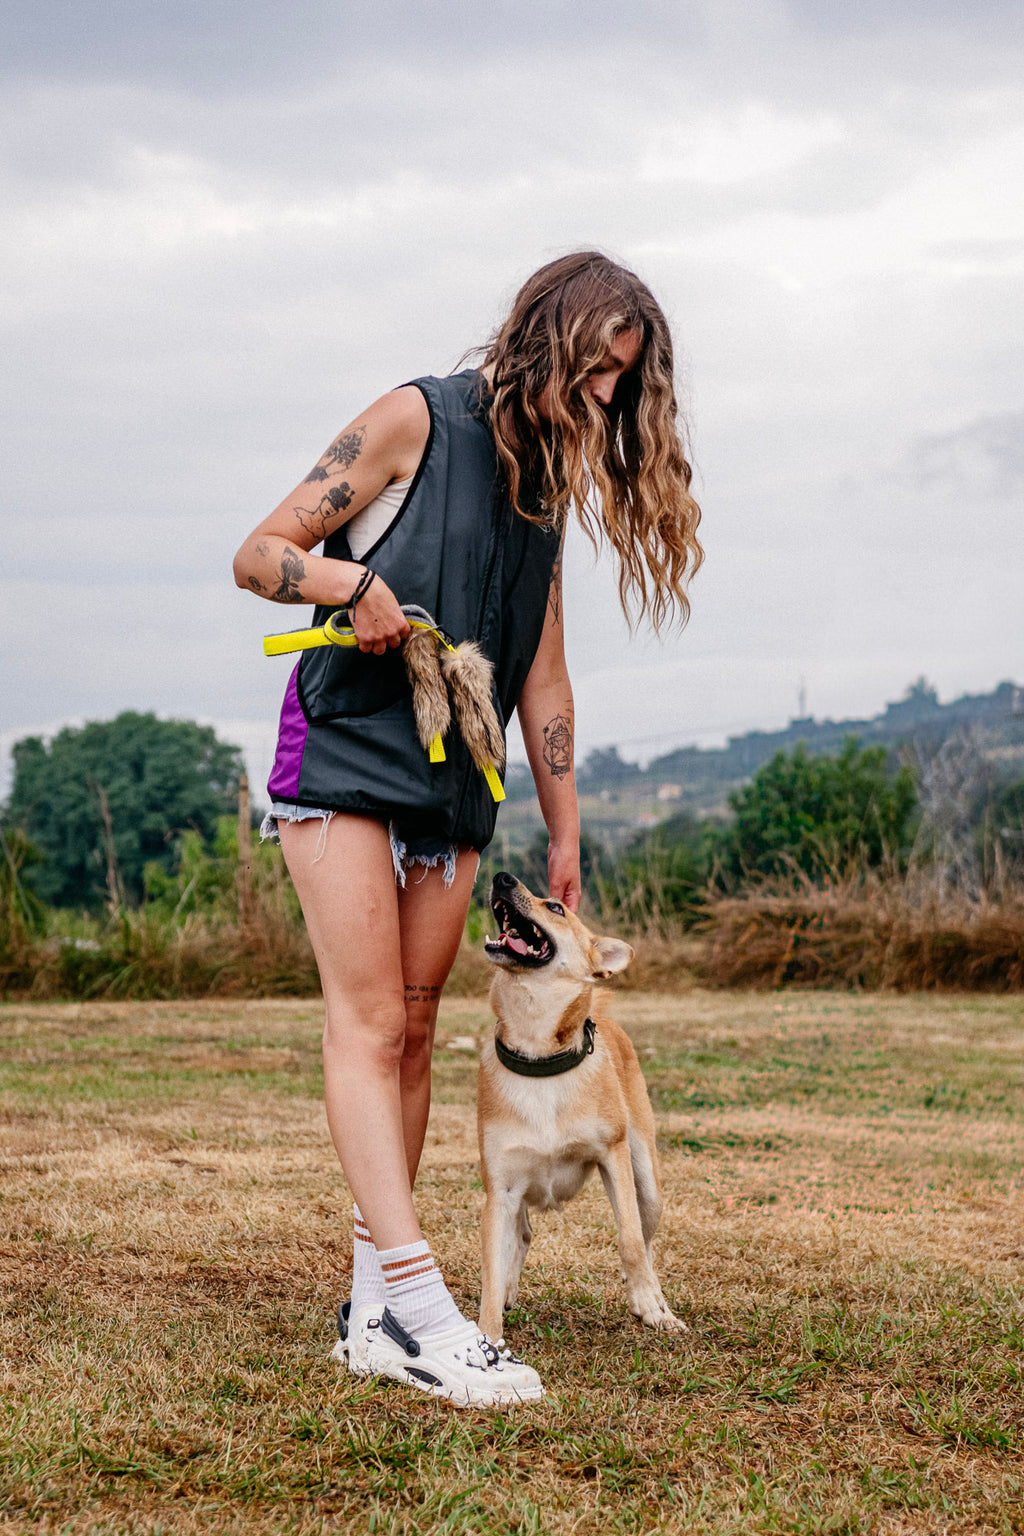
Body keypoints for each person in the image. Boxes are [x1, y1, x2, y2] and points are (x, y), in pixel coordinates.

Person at [232, 250, 703, 1407]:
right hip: (342, 760)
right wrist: (348, 589)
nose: (603, 401)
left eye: (620, 388)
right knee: (367, 1018)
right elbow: (258, 556)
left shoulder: (542, 492)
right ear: (547, 336)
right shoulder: (411, 422)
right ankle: (422, 1303)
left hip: (452, 792)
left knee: (414, 1030)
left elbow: (544, 677)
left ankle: (371, 1311)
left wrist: (565, 827)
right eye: (595, 373)